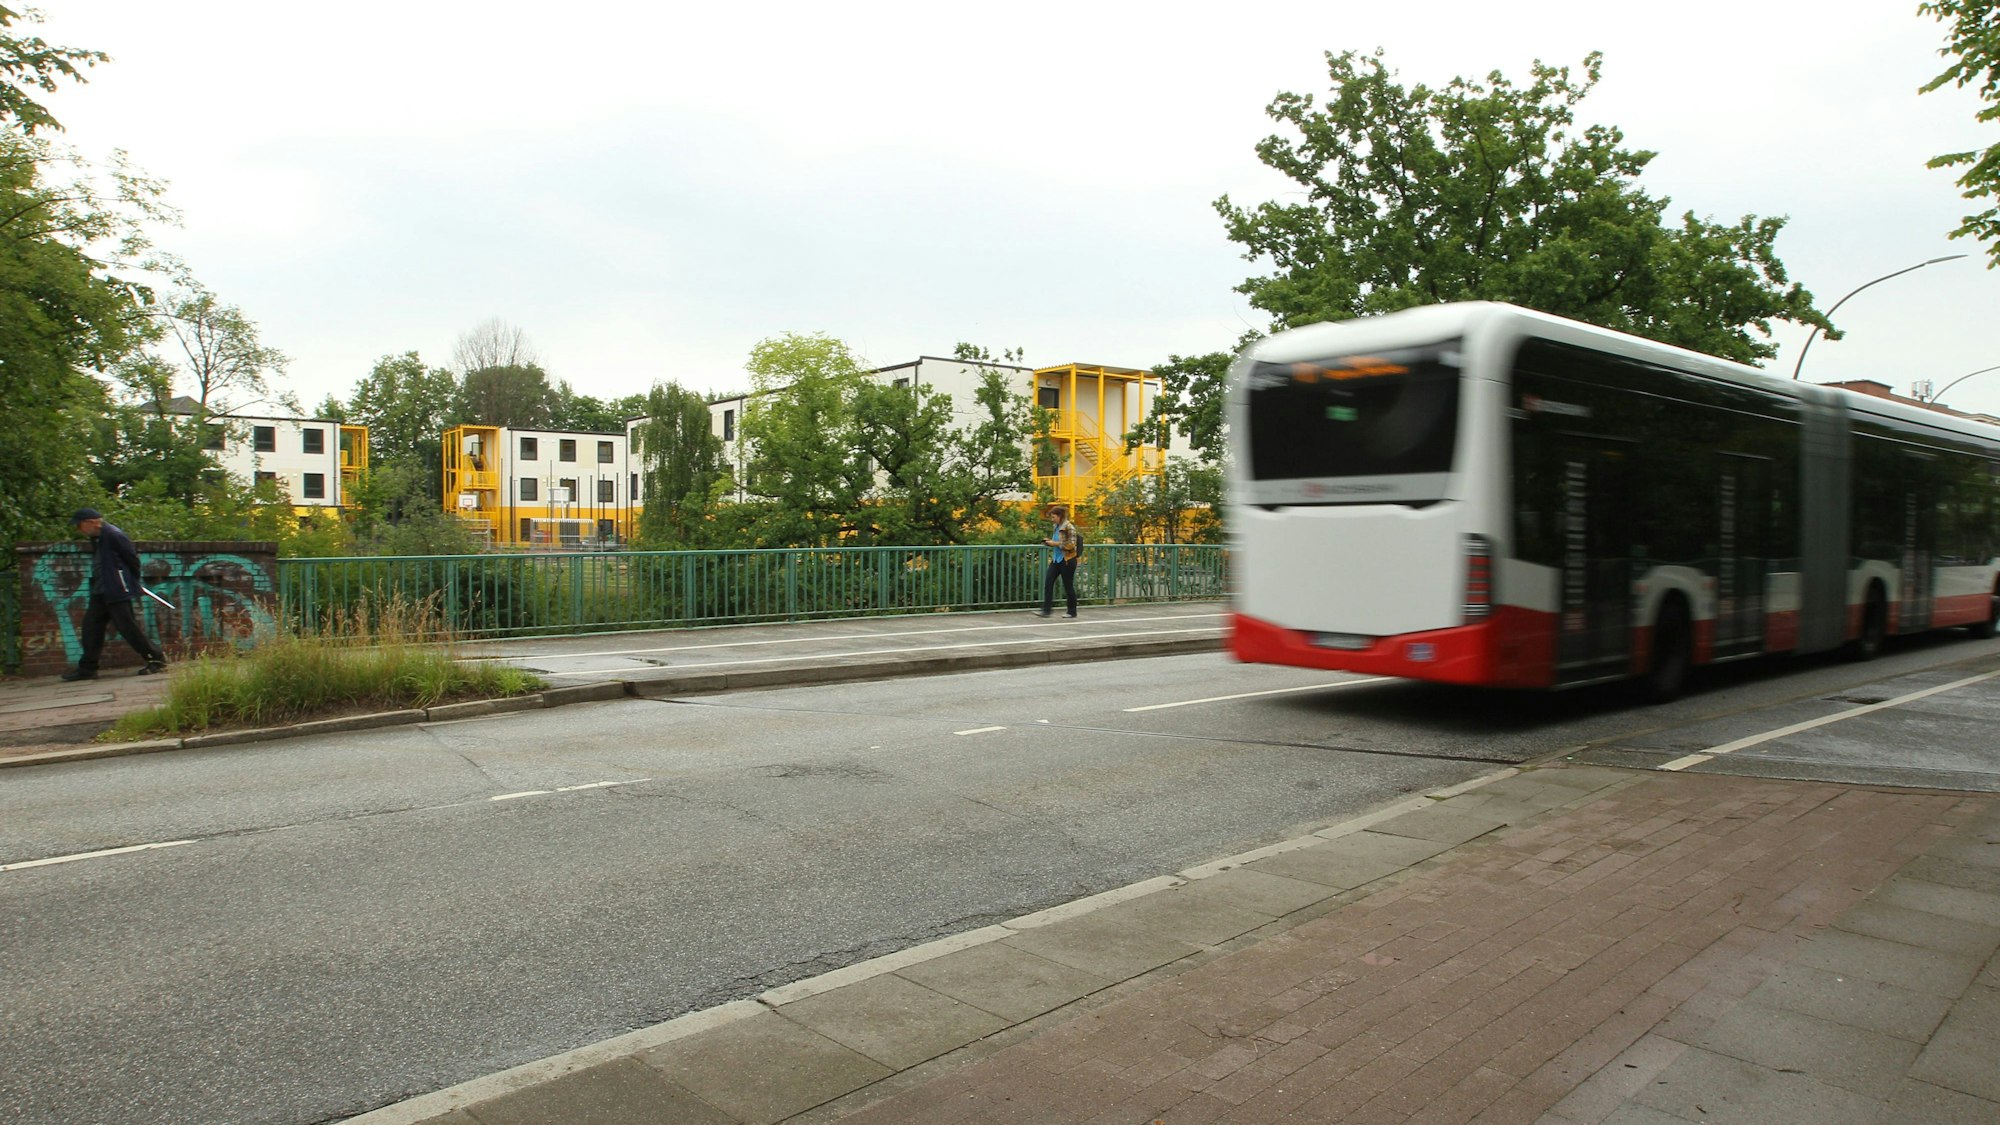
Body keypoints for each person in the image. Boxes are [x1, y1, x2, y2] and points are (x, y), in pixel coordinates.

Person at [59, 509, 168, 681]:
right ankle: (87, 669)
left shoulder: (113, 535)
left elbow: (132, 559)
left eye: (80, 525)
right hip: (101, 590)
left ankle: (157, 659)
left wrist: (130, 582)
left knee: (127, 627)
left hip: (116, 588)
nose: (79, 530)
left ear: (90, 522)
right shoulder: (98, 538)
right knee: (91, 628)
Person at [1034, 503, 1080, 619]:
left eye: (1054, 517)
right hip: (1056, 560)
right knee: (1048, 582)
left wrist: (1054, 544)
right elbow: (1057, 541)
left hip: (1067, 560)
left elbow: (1071, 544)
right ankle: (1046, 610)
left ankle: (1072, 611)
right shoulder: (1056, 527)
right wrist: (1049, 542)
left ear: (1060, 516)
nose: (1052, 519)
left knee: (1068, 586)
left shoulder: (1069, 527)